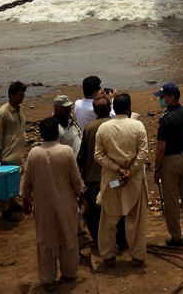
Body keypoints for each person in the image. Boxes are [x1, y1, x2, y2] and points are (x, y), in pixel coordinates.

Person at [22, 117, 86, 290]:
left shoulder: (34, 153)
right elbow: (76, 180)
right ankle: (69, 273)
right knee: (69, 239)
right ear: (57, 133)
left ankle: (48, 279)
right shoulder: (66, 151)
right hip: (66, 204)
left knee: (46, 241)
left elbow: (26, 182)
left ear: (42, 134)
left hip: (43, 207)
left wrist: (26, 200)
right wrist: (81, 196)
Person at [94, 92, 150, 267]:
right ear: (129, 107)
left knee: (109, 219)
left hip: (112, 179)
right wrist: (129, 171)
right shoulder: (138, 126)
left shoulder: (103, 128)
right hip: (133, 179)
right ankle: (137, 255)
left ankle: (108, 254)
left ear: (113, 108)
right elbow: (143, 154)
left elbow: (98, 155)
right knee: (136, 219)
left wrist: (117, 169)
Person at [78, 96, 128, 251]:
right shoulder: (117, 125)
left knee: (94, 213)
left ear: (94, 110)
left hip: (94, 179)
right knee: (118, 208)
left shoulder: (89, 128)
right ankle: (122, 241)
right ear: (109, 109)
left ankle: (100, 242)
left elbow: (82, 156)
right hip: (114, 176)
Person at [152, 82, 183, 247]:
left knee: (171, 201)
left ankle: (176, 237)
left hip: (170, 161)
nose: (161, 100)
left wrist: (156, 170)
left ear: (171, 98)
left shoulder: (165, 119)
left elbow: (160, 148)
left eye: (163, 98)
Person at [0, 80, 28, 220]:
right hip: (7, 154)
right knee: (5, 182)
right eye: (20, 95)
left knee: (15, 179)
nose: (22, 97)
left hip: (17, 153)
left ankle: (12, 203)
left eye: (23, 94)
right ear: (11, 95)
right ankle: (4, 211)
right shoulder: (3, 113)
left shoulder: (19, 108)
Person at [51, 94, 83, 159]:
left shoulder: (69, 119)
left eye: (69, 106)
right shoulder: (54, 127)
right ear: (56, 109)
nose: (68, 109)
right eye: (65, 108)